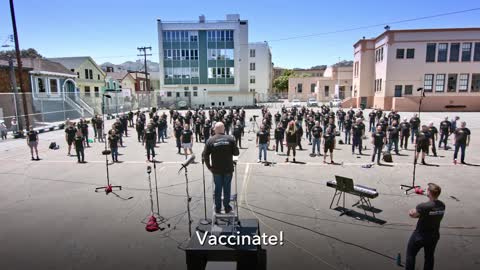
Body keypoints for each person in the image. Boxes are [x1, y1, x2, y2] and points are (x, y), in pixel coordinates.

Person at [405, 183, 445, 270]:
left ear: (429, 192)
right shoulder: (442, 205)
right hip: (434, 236)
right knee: (429, 257)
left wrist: (412, 211)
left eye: (427, 190)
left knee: (410, 254)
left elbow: (413, 214)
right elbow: (430, 214)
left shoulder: (423, 206)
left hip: (420, 235)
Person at [203, 122, 239, 214]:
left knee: (218, 189)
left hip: (216, 170)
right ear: (223, 129)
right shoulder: (230, 139)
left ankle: (218, 208)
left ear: (215, 129)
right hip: (228, 169)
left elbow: (205, 155)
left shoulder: (210, 140)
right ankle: (226, 207)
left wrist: (209, 167)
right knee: (227, 189)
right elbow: (236, 153)